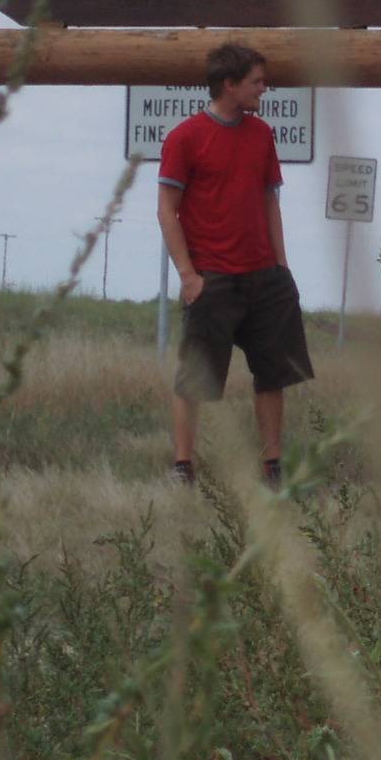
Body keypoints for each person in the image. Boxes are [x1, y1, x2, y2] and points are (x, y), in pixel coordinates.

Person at [159, 42, 312, 487]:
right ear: (229, 84)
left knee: (273, 373)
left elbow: (270, 200)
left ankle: (273, 465)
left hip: (265, 276)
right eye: (256, 82)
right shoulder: (185, 137)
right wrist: (188, 275)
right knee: (196, 378)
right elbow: (167, 210)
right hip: (213, 278)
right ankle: (183, 465)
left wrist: (282, 267)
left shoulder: (262, 135)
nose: (264, 89)